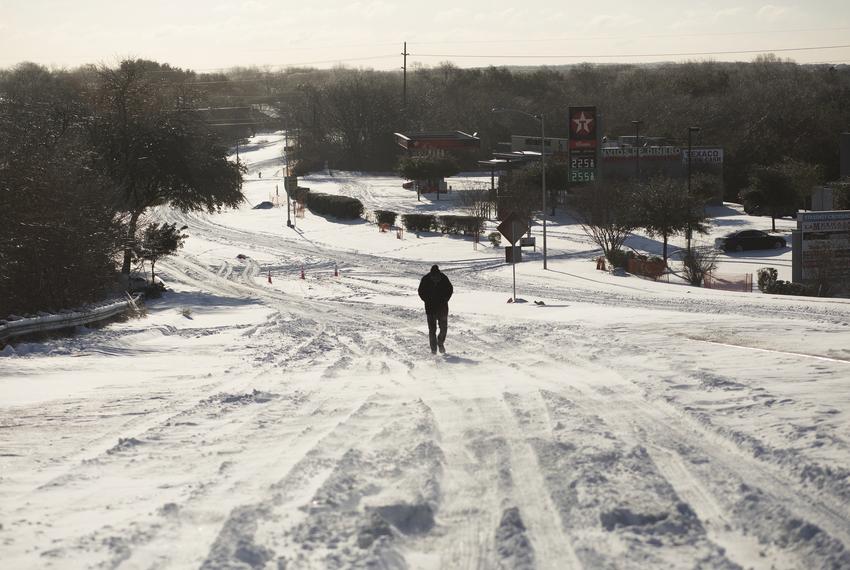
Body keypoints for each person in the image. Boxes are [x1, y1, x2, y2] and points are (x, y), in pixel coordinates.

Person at [418, 264, 453, 354]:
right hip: (430, 309)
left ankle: (440, 343)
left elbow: (450, 289)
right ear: (431, 274)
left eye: (437, 276)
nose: (435, 278)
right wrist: (426, 299)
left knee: (443, 329)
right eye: (434, 276)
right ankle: (433, 350)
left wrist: (446, 299)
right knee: (432, 330)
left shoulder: (444, 278)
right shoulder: (425, 279)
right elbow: (420, 291)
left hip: (443, 308)